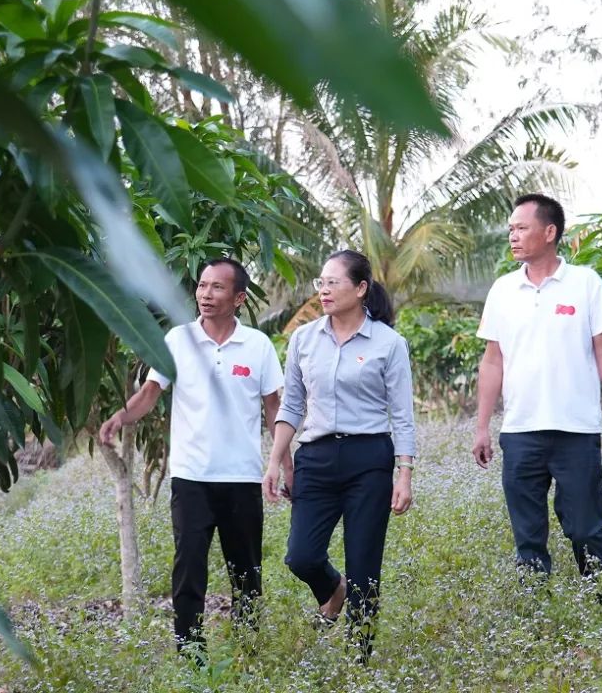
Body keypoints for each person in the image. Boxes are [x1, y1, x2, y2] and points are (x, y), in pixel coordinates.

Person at [99, 258, 285, 652]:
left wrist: (286, 463)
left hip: (242, 478)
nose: (206, 294)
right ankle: (190, 653)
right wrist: (120, 416)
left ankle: (247, 650)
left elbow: (273, 408)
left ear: (239, 298)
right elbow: (150, 394)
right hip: (192, 478)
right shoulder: (177, 340)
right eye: (202, 286)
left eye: (217, 288)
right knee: (188, 567)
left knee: (246, 571)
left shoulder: (258, 346)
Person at [263, 250, 415, 660]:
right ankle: (334, 589)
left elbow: (401, 415)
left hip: (369, 459)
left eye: (334, 282)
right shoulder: (304, 339)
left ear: (361, 288)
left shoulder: (389, 343)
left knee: (365, 566)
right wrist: (276, 460)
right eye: (321, 282)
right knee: (301, 556)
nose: (324, 290)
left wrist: (404, 474)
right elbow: (291, 405)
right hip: (316, 457)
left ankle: (359, 660)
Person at [471, 193, 602, 584]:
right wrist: (481, 426)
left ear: (550, 232)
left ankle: (601, 608)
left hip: (576, 430)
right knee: (528, 538)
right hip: (520, 432)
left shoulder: (585, 283)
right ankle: (536, 621)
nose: (513, 236)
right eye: (511, 229)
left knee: (586, 530)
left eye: (521, 228)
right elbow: (493, 360)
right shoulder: (503, 290)